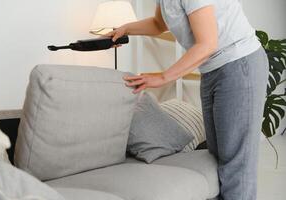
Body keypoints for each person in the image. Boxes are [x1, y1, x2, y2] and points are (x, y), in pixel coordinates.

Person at [106, 0, 269, 200]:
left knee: (236, 163)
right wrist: (126, 29)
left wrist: (163, 77)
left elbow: (208, 43)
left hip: (238, 63)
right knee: (217, 157)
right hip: (211, 69)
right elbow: (159, 24)